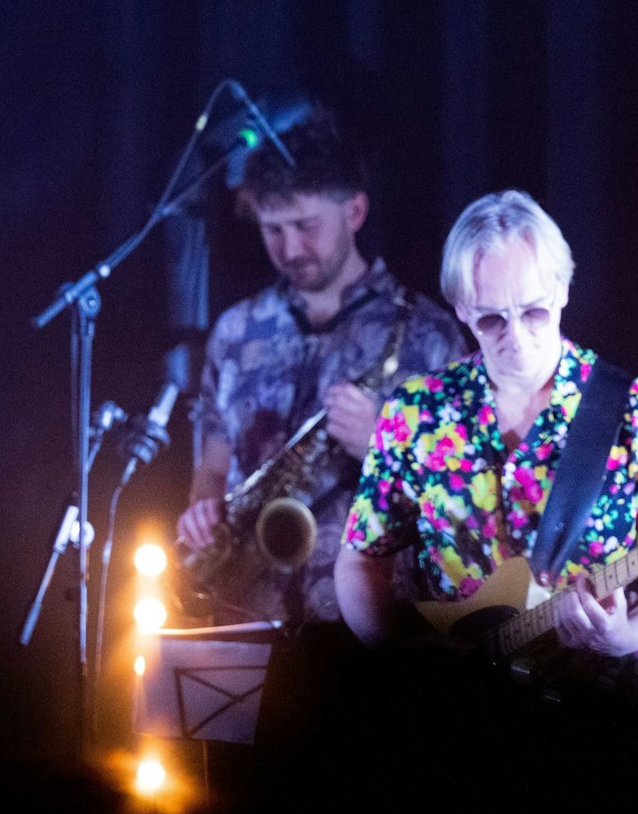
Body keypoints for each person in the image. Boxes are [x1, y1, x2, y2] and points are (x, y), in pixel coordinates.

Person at [335, 189, 638, 714]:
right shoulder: (416, 414)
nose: (517, 338)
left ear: (562, 290)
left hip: (604, 713)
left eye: (533, 311)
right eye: (491, 320)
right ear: (461, 309)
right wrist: (400, 661)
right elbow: (359, 560)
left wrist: (626, 635)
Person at [179, 110, 463, 627]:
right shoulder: (235, 331)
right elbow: (213, 466)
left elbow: (469, 501)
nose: (290, 249)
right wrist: (202, 510)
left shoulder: (430, 336)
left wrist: (385, 442)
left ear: (355, 211)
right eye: (273, 230)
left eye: (306, 226)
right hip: (244, 615)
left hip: (369, 625)